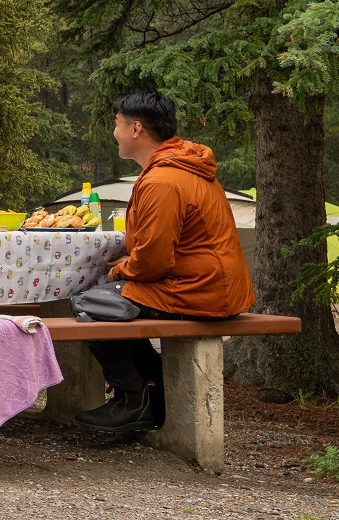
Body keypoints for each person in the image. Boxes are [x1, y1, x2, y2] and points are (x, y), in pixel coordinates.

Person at [74, 91, 253, 433]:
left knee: (92, 304)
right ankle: (157, 391)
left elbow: (152, 264)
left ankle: (134, 402)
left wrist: (120, 268)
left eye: (117, 124)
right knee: (110, 299)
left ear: (136, 129)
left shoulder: (163, 180)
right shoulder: (185, 167)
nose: (114, 132)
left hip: (200, 292)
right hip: (215, 287)